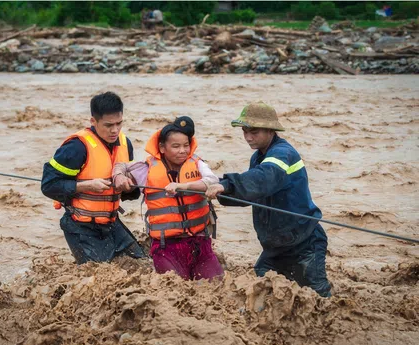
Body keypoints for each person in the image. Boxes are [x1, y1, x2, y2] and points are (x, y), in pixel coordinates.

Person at [205, 101, 331, 297]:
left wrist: (227, 185)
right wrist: (222, 191)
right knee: (262, 290)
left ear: (271, 130)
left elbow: (262, 180)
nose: (248, 137)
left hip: (304, 242)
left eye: (254, 132)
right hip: (276, 246)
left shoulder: (282, 154)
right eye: (245, 131)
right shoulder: (258, 157)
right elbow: (252, 193)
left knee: (317, 298)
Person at [113, 116, 224, 281]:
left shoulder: (197, 164)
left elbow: (212, 181)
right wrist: (119, 176)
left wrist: (182, 186)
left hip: (200, 244)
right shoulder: (147, 169)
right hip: (166, 247)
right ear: (162, 148)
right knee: (174, 287)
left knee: (217, 285)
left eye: (186, 145)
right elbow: (121, 166)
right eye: (176, 146)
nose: (183, 151)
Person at [41, 92, 145, 264]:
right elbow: (49, 185)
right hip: (80, 226)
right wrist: (86, 186)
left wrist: (130, 187)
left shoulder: (126, 144)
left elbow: (128, 195)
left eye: (119, 123)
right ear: (93, 122)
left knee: (143, 265)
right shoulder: (76, 147)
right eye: (108, 125)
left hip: (111, 223)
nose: (115, 130)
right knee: (100, 277)